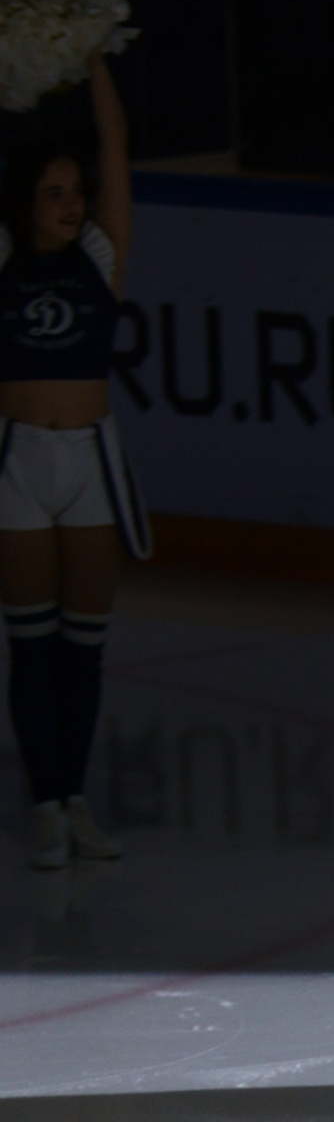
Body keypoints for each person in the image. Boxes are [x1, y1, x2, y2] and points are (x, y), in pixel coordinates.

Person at [0, 54, 147, 870]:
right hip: (16, 461)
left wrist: (89, 52)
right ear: (25, 201)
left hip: (91, 460)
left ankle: (76, 799)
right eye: (52, 193)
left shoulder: (100, 256)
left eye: (75, 192)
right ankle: (46, 807)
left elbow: (116, 151)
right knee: (32, 645)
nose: (71, 204)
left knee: (83, 646)